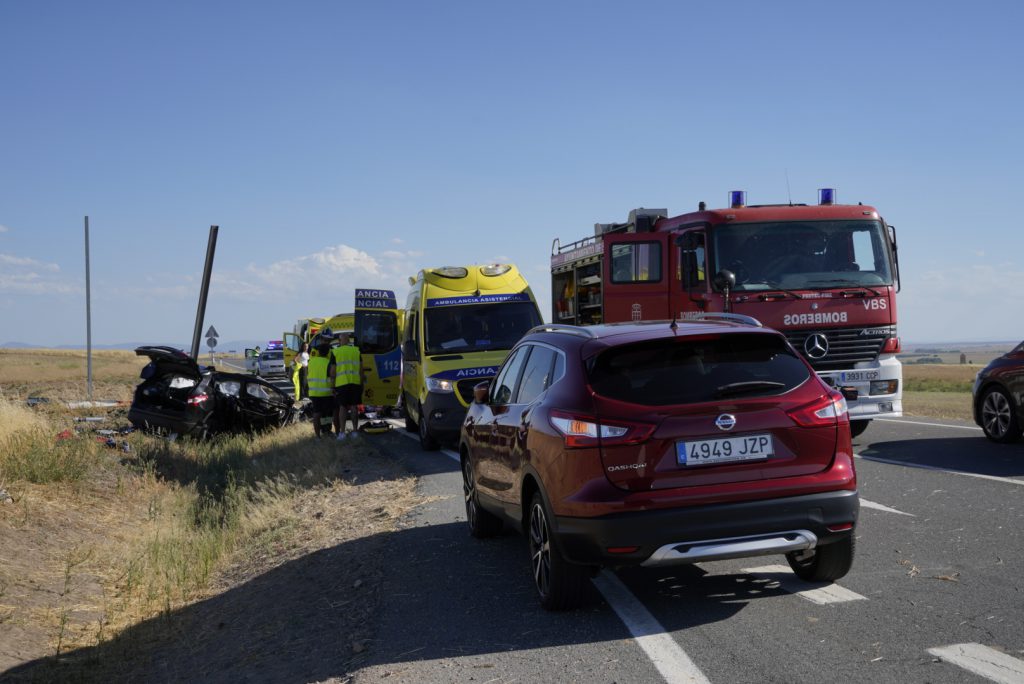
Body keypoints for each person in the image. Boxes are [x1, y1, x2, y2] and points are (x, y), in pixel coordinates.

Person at [331, 330, 364, 441]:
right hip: (355, 382)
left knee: (342, 407)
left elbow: (333, 372)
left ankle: (342, 433)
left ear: (339, 341)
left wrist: (332, 386)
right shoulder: (356, 351)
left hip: (341, 384)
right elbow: (361, 369)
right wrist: (361, 383)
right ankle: (355, 431)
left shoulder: (336, 352)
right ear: (349, 341)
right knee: (354, 407)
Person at [306, 331, 335, 438]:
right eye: (325, 339)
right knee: (325, 413)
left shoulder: (330, 350)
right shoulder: (315, 350)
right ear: (322, 339)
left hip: (315, 390)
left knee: (322, 413)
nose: (327, 342)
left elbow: (309, 369)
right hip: (326, 390)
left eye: (328, 340)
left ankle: (323, 431)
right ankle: (325, 430)